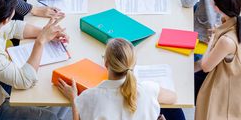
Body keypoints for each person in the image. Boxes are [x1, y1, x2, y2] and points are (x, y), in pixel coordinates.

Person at [57, 38, 186, 120]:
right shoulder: (148, 89)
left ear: (106, 63)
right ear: (133, 64)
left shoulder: (89, 97)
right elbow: (173, 98)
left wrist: (74, 99)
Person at [194, 0, 241, 120]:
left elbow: (205, 66)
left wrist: (212, 41)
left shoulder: (227, 41)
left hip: (232, 91)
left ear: (216, 7)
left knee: (190, 78)